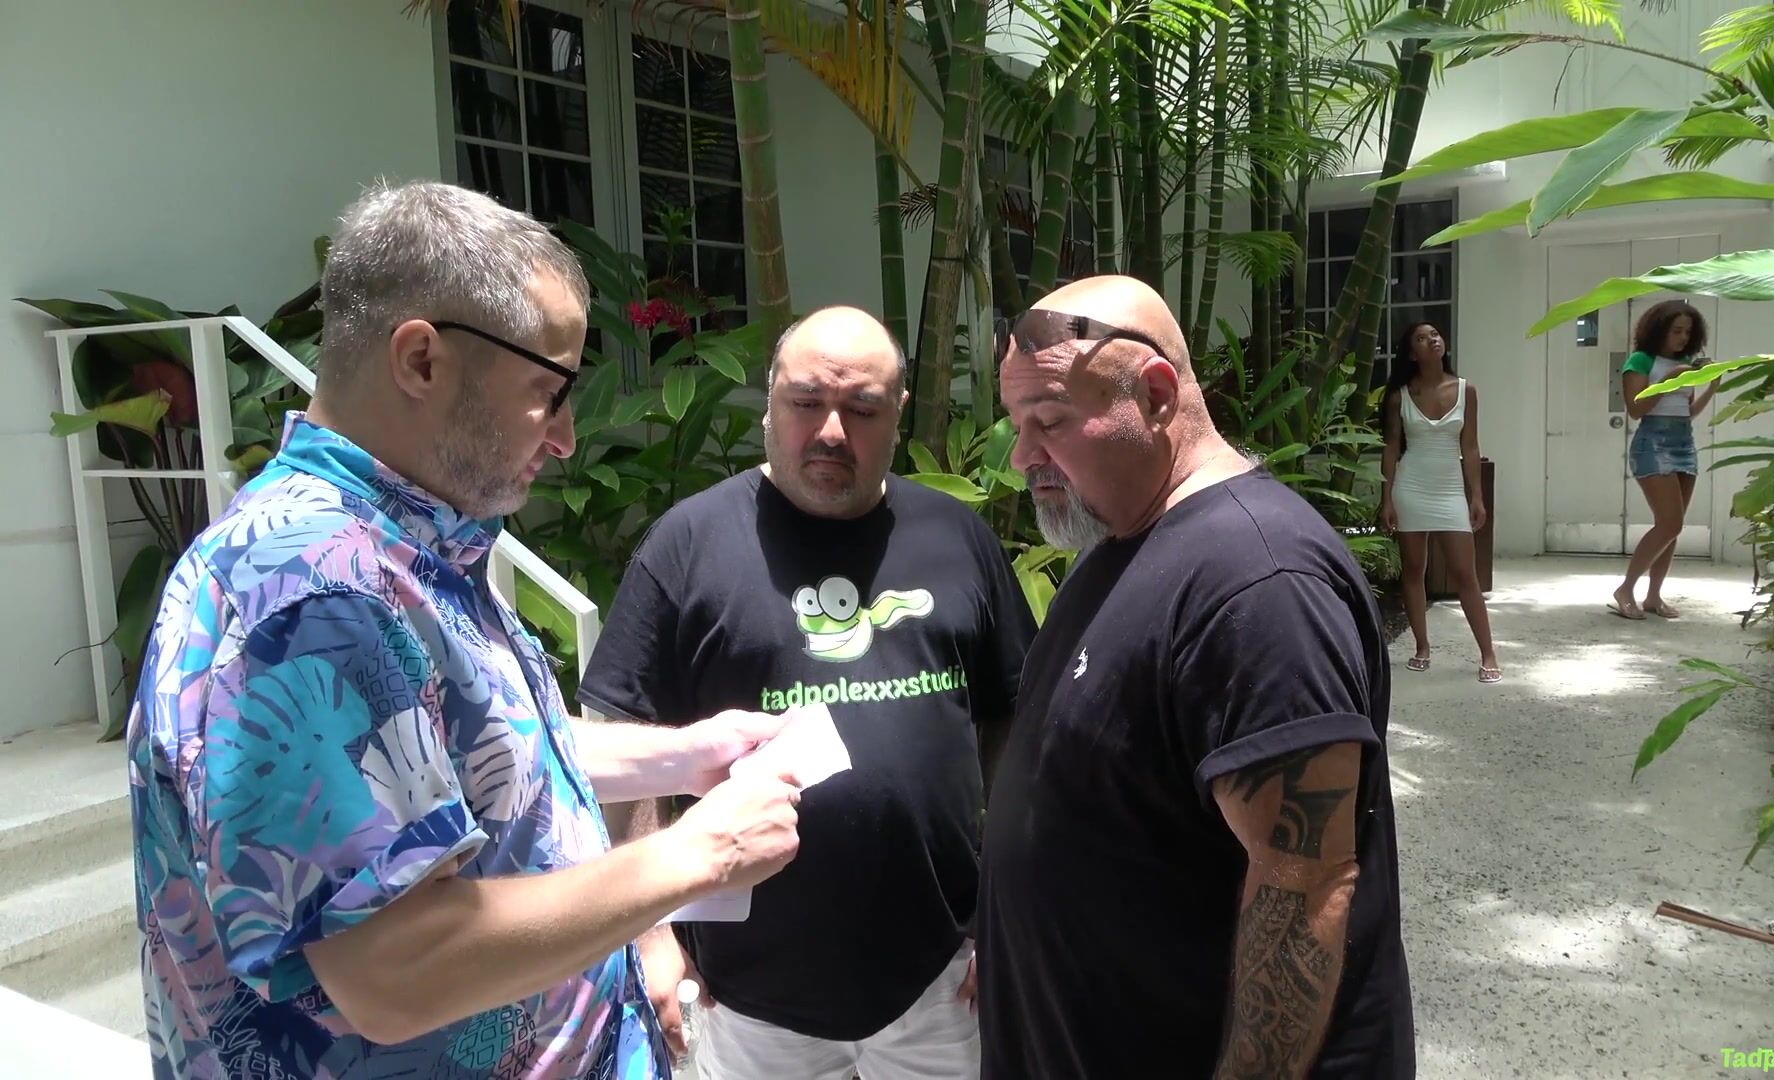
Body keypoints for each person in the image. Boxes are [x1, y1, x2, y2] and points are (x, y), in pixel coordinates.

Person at [127, 180, 804, 1079]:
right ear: (421, 360)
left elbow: (466, 753)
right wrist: (699, 851)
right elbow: (394, 970)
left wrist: (680, 757)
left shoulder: (401, 543)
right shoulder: (309, 591)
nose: (566, 437)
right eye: (547, 391)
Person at [578, 305, 1036, 1079]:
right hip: (747, 992)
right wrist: (650, 934)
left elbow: (1016, 724)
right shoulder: (690, 544)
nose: (831, 431)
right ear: (769, 404)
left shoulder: (957, 538)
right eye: (806, 402)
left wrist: (1006, 909)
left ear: (898, 414)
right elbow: (622, 732)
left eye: (862, 408)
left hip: (936, 979)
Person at [976, 275, 1414, 1079]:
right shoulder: (1120, 542)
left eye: (1049, 421)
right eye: (1017, 423)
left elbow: (1306, 887)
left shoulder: (1259, 582)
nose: (1023, 455)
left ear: (1154, 395)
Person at [1377, 321, 1501, 683]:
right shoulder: (1401, 395)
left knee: (1466, 575)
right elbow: (1391, 449)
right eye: (1421, 338)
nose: (1432, 340)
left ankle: (1488, 653)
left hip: (1449, 490)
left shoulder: (1465, 390)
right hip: (1411, 487)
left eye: (1434, 334)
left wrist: (1476, 496)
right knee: (1414, 571)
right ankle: (1422, 646)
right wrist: (1387, 499)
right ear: (1412, 353)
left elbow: (1470, 446)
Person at [1611, 299, 1717, 620]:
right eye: (1676, 331)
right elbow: (1636, 409)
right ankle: (1625, 589)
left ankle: (1653, 596)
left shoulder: (1683, 363)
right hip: (1652, 444)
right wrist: (1671, 379)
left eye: (1688, 332)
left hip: (1684, 443)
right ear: (1659, 330)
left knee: (1672, 528)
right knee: (1670, 522)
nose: (1683, 338)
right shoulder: (1640, 361)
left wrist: (1712, 386)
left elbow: (1687, 412)